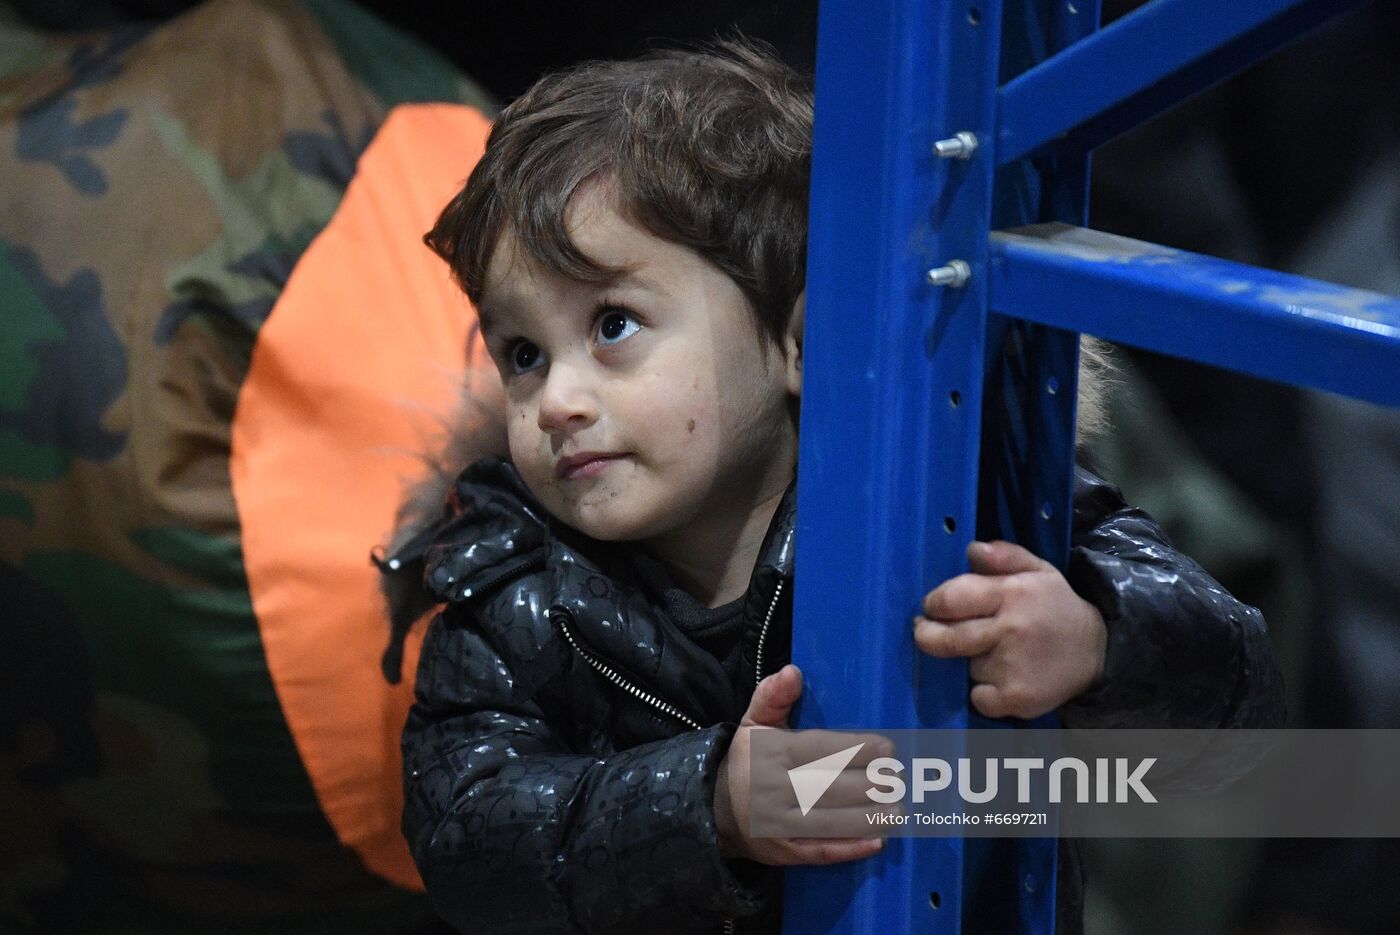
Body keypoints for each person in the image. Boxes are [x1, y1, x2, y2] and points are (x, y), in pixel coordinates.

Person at [389, 39, 1284, 935]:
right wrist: (711, 808)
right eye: (522, 354)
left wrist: (1094, 636)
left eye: (613, 324)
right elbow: (469, 840)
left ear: (801, 339)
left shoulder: (959, 494)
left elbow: (1240, 688)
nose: (558, 401)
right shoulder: (510, 589)